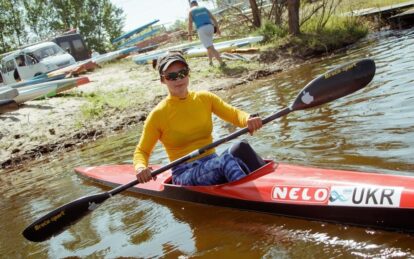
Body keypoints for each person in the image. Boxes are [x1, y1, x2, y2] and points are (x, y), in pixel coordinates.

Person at [134, 52, 265, 186]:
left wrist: (249, 119)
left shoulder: (205, 98)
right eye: (171, 76)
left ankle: (267, 186)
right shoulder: (158, 114)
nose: (178, 79)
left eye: (182, 73)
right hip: (184, 172)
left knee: (241, 147)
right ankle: (253, 198)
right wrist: (140, 167)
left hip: (212, 162)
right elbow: (142, 151)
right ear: (163, 80)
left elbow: (235, 114)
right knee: (225, 160)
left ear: (188, 73)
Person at [188, 0, 225, 67]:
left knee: (210, 47)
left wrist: (190, 35)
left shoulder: (191, 11)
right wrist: (218, 29)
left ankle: (222, 62)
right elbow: (214, 18)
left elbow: (190, 24)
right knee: (209, 46)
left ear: (191, 5)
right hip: (210, 27)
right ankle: (210, 62)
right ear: (197, 4)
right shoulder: (204, 8)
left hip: (202, 29)